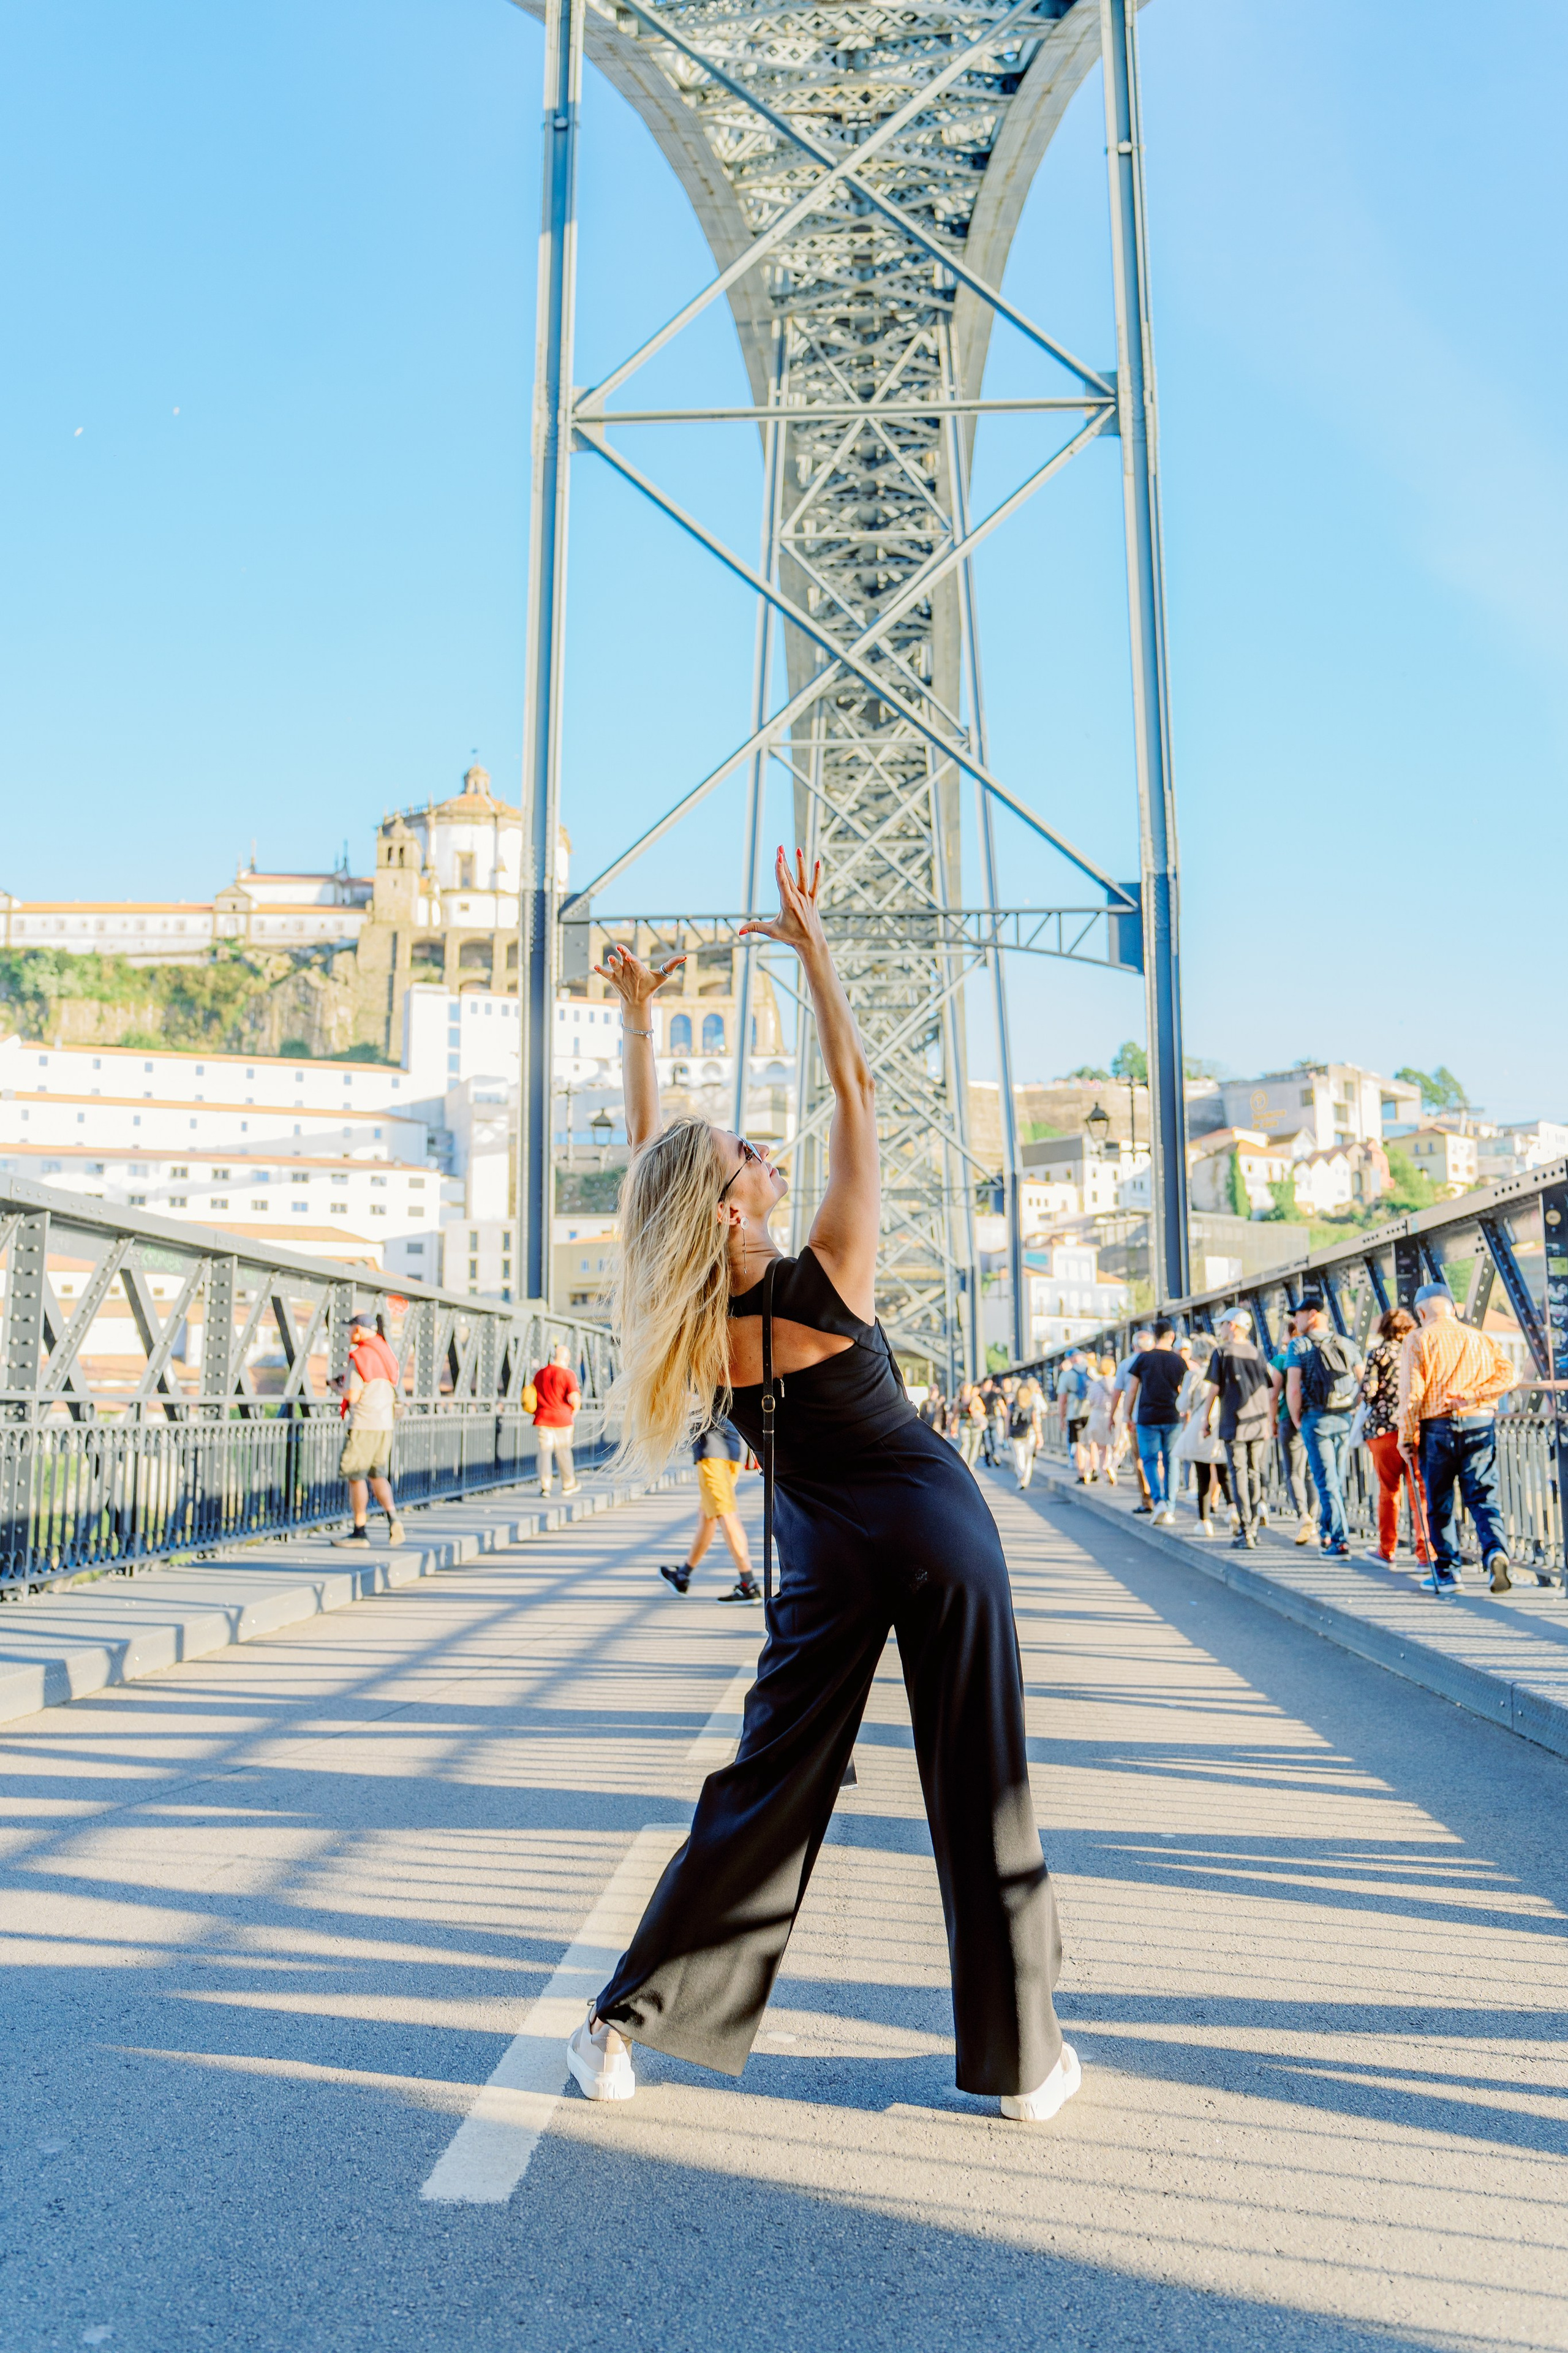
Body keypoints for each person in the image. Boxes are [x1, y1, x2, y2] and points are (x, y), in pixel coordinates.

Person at [564, 847, 1079, 2126]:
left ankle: (622, 2028)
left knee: (764, 1786)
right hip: (937, 1519)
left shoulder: (689, 1319)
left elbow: (652, 1182)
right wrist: (817, 957)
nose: (767, 1155)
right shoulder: (834, 1268)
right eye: (748, 1155)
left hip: (824, 1554)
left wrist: (637, 1026)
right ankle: (1023, 2066)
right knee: (984, 1781)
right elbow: (855, 1087)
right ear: (730, 1208)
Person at [1400, 1282, 1518, 1594]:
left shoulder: (1418, 1338)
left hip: (1437, 1428)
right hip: (1479, 1423)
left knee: (1439, 1502)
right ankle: (1495, 1552)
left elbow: (1412, 1395)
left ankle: (1448, 1573)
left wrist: (1406, 1436)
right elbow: (1510, 1375)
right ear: (1453, 1308)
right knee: (1482, 1496)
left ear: (1421, 1313)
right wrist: (1473, 1395)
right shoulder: (1479, 1338)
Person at [1286, 1294, 1362, 1558]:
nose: (1295, 1320)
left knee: (1327, 1482)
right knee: (1334, 1480)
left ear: (1312, 1314)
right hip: (1343, 1418)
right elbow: (1363, 1381)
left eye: (1298, 1314)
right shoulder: (1346, 1344)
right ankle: (1327, 1531)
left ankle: (1340, 1541)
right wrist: (1351, 1406)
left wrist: (1297, 1418)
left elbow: (1293, 1388)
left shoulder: (1299, 1345)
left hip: (1315, 1418)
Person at [660, 1416, 762, 1602]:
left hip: (714, 1446)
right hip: (731, 1447)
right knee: (708, 1514)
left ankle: (749, 1584)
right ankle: (683, 1575)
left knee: (726, 1513)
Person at [1359, 1307, 1430, 1570]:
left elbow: (1369, 1392)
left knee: (1389, 1491)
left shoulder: (1378, 1353)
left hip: (1384, 1431)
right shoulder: (1417, 1351)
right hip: (1415, 1428)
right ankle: (1425, 1553)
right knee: (1420, 1491)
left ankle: (1387, 1549)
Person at [331, 1312, 405, 1549]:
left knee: (356, 1476)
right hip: (385, 1424)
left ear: (359, 1330)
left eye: (351, 1328)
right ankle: (393, 1519)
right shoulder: (386, 1353)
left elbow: (353, 1395)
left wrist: (337, 1388)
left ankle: (359, 1531)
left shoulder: (360, 1356)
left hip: (364, 1424)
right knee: (377, 1474)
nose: (348, 1333)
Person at [1202, 1307, 1274, 1548]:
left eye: (1223, 1324)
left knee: (1239, 1474)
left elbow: (1214, 1389)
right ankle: (1253, 1526)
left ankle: (1246, 1530)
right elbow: (1269, 1386)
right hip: (1257, 1423)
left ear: (1232, 1326)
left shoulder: (1222, 1352)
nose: (1220, 1328)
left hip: (1233, 1422)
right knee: (1254, 1473)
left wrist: (1205, 1420)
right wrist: (1268, 1420)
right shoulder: (1257, 1353)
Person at [1124, 1321, 1185, 1524]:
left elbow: (1132, 1389)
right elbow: (1183, 1391)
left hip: (1147, 1417)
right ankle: (1170, 1505)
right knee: (1171, 1460)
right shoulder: (1179, 1360)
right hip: (1172, 1416)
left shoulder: (1143, 1358)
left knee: (1149, 1460)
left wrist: (1127, 1415)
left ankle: (1158, 1501)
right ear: (1172, 1336)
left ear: (1154, 1336)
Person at [1269, 1309, 1317, 1544]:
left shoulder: (1281, 1360)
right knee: (1311, 1471)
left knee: (1294, 1472)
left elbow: (1273, 1394)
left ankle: (1303, 1516)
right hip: (1312, 1416)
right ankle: (1314, 1519)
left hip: (1289, 1418)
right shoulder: (1313, 1352)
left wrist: (1272, 1421)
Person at [1175, 1335, 1231, 1535]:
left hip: (1201, 1425)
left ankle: (1204, 1521)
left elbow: (1182, 1405)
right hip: (1222, 1422)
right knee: (1224, 1471)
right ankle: (1233, 1509)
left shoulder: (1193, 1375)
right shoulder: (1223, 1371)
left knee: (1203, 1474)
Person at [1112, 1329, 1156, 1513]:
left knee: (1140, 1459)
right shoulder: (1160, 1360)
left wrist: (1122, 1416)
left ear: (1133, 1345)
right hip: (1161, 1416)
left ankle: (1147, 1499)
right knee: (1160, 1458)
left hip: (1138, 1419)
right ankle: (1161, 1497)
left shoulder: (1126, 1364)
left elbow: (1121, 1392)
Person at [532, 1340, 581, 1497]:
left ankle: (545, 1486)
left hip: (543, 1418)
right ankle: (568, 1484)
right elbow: (575, 1398)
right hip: (563, 1420)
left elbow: (533, 1393)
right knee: (563, 1453)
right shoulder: (568, 1374)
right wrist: (574, 1412)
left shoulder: (541, 1373)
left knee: (544, 1453)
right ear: (567, 1358)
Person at [1082, 1354, 1118, 1483]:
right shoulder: (1117, 1382)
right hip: (1114, 1414)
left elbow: (1091, 1401)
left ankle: (1102, 1471)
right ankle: (1111, 1466)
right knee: (1115, 1444)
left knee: (1100, 1447)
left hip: (1097, 1415)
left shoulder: (1095, 1384)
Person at [1057, 1350, 1091, 1481]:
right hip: (1091, 1411)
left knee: (1078, 1444)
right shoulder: (1091, 1371)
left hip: (1074, 1413)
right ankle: (1093, 1469)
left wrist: (1061, 1418)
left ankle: (1082, 1473)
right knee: (1092, 1443)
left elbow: (1062, 1400)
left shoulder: (1066, 1375)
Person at [1009, 1376, 1045, 1488]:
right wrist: (1039, 1435)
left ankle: (1021, 1475)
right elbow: (1035, 1421)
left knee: (1018, 1456)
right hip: (1030, 1432)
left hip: (1015, 1433)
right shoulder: (1031, 1404)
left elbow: (1007, 1418)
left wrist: (1006, 1432)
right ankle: (1026, 1477)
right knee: (1029, 1456)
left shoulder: (1013, 1404)